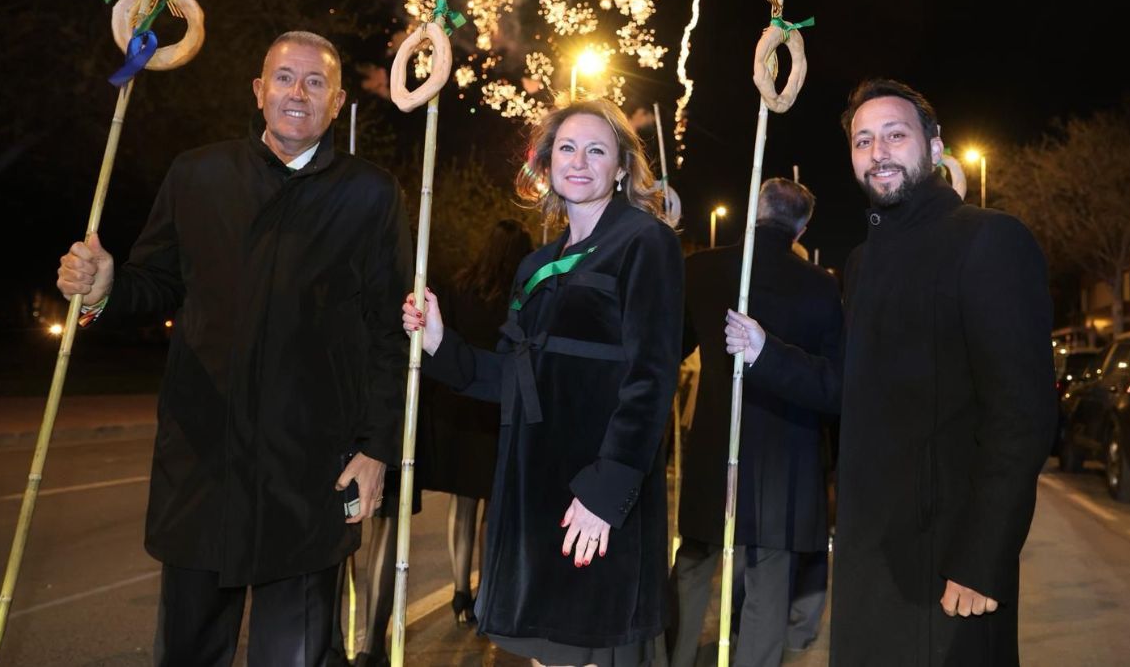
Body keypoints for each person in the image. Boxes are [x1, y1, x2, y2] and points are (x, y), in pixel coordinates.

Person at [57, 30, 412, 667]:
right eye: (283, 78)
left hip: (310, 471)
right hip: (204, 461)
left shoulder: (371, 194)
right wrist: (106, 289)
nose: (296, 93)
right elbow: (155, 282)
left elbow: (390, 331)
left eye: (314, 83)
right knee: (188, 652)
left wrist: (377, 449)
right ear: (258, 91)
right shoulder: (198, 173)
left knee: (298, 656)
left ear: (336, 102)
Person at [725, 78, 1056, 666]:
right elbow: (849, 385)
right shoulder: (863, 260)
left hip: (946, 559)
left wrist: (983, 560)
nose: (878, 152)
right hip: (869, 549)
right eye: (863, 141)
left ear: (933, 145)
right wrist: (765, 353)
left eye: (895, 136)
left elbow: (1022, 418)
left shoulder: (989, 239)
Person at [403, 98, 683, 667]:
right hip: (532, 491)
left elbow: (650, 378)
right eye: (567, 148)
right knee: (546, 653)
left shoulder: (645, 243)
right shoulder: (535, 265)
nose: (579, 161)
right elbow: (514, 377)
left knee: (601, 650)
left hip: (599, 491)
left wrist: (605, 492)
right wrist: (440, 344)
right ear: (548, 163)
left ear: (622, 167)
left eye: (597, 150)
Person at [666, 178, 842, 667]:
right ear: (802, 226)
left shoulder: (700, 268)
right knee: (769, 581)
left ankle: (674, 659)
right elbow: (835, 385)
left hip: (714, 448)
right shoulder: (821, 285)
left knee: (693, 566)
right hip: (786, 459)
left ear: (752, 212)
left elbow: (668, 350)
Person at [423, 218, 535, 624]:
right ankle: (487, 590)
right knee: (493, 504)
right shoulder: (521, 293)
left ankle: (459, 590)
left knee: (462, 504)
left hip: (461, 407)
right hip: (499, 409)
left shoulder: (461, 284)